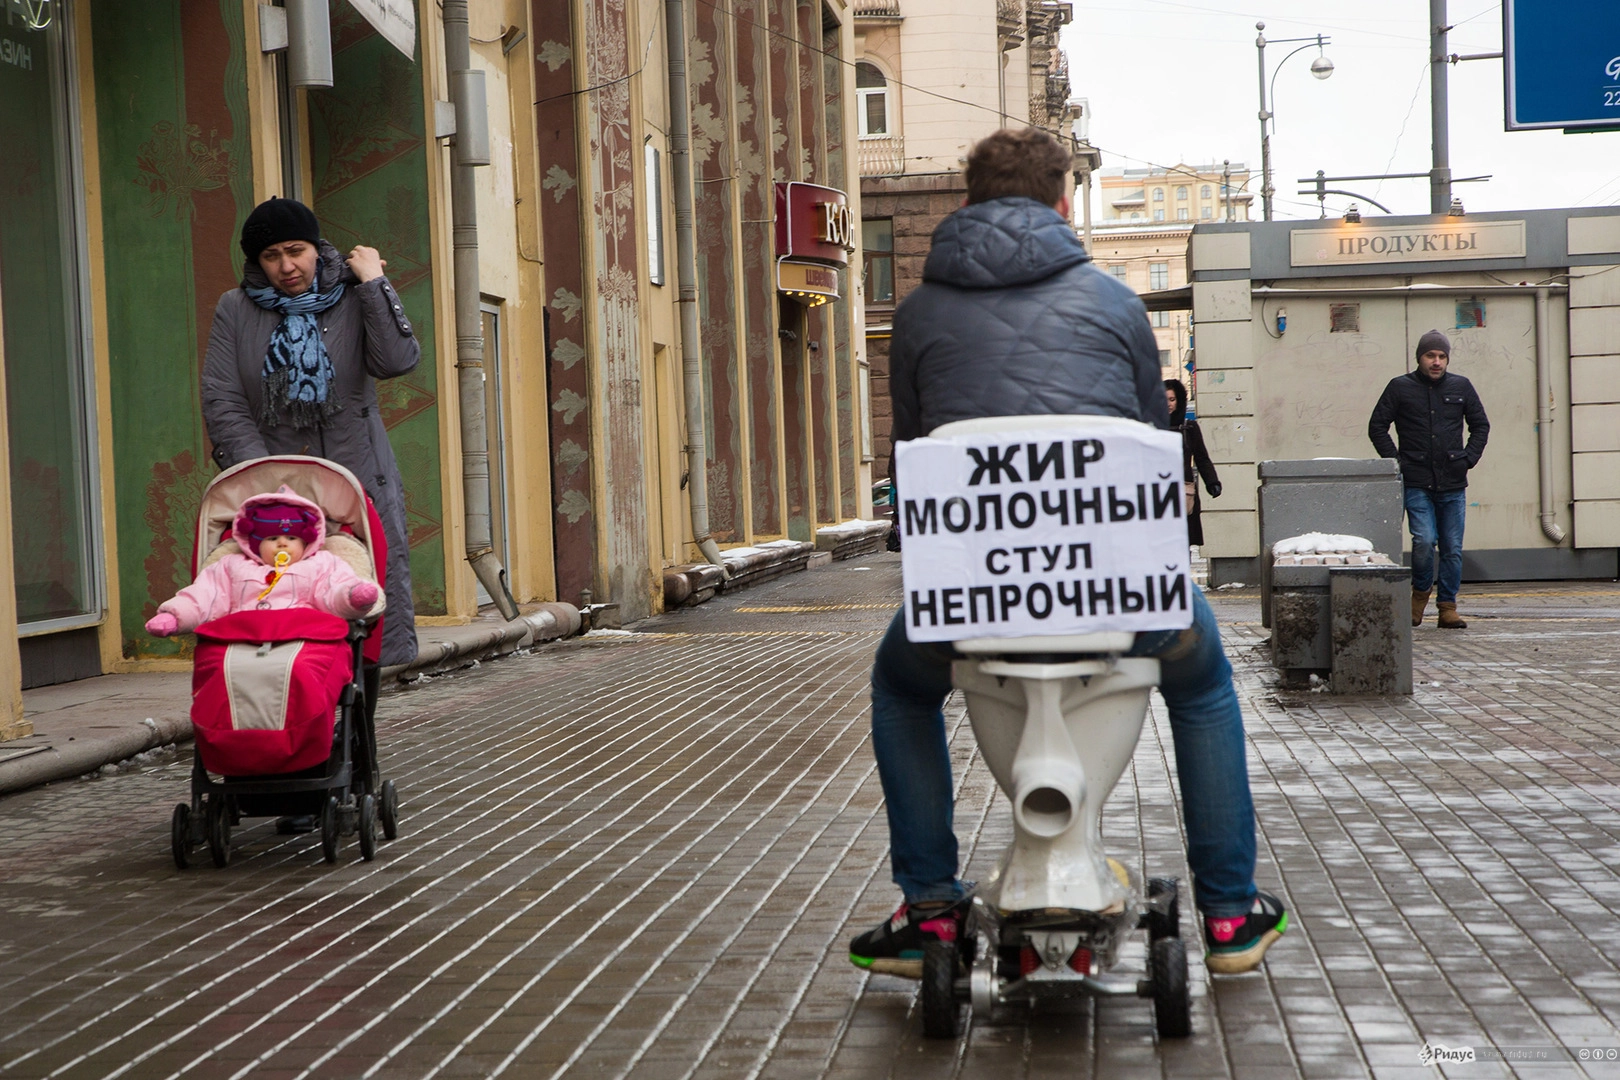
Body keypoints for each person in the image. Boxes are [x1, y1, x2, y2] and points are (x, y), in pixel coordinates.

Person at [849, 128, 1286, 980]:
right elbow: (1144, 445)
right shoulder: (1117, 304)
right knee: (1203, 684)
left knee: (901, 688)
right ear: (1060, 203)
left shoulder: (919, 313)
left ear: (967, 203)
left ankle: (929, 909)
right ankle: (1230, 911)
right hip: (1115, 594)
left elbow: (916, 452)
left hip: (975, 600)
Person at [202, 197, 420, 667]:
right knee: (288, 607)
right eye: (271, 256)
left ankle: (362, 708)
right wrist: (265, 483)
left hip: (359, 479)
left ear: (317, 249)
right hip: (277, 487)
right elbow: (224, 400)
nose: (286, 266)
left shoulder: (353, 296)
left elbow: (397, 361)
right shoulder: (236, 309)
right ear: (257, 262)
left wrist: (374, 283)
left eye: (296, 251)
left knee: (364, 606)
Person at [1367, 330, 1490, 629]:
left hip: (1452, 482)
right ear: (1419, 357)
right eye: (1430, 356)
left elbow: (1480, 425)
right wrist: (1396, 461)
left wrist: (1468, 459)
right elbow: (1377, 426)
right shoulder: (1400, 387)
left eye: (1442, 356)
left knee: (1452, 547)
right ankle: (1419, 595)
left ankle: (1447, 607)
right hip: (1416, 480)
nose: (1436, 362)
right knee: (1423, 541)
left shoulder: (1461, 386)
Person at [145, 487, 380, 635]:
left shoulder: (321, 564)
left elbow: (332, 591)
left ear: (306, 541)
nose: (282, 544)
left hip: (301, 635)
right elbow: (206, 594)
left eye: (291, 538)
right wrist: (176, 615)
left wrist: (351, 596)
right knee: (214, 656)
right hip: (242, 635)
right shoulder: (232, 565)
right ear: (255, 542)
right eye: (272, 538)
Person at [1165, 378, 1221, 547]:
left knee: (1183, 541)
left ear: (1179, 401)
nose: (1168, 404)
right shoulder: (1151, 429)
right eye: (1164, 399)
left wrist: (1212, 482)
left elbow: (1202, 458)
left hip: (1184, 491)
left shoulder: (1189, 428)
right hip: (1158, 491)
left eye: (1172, 399)